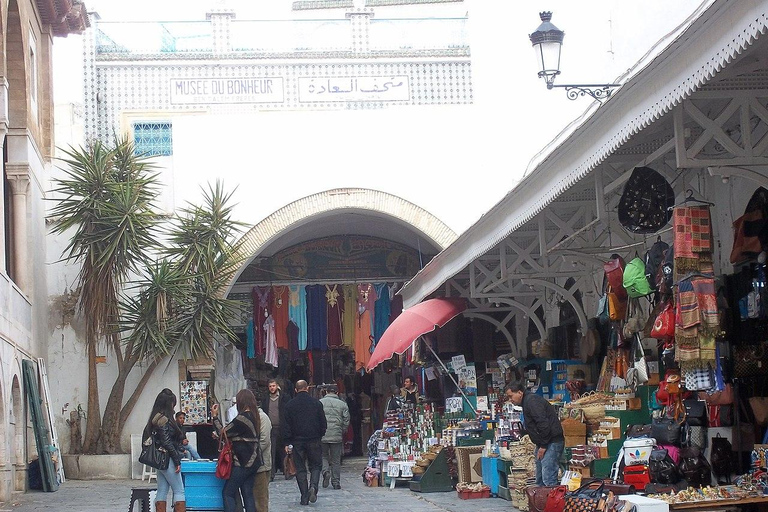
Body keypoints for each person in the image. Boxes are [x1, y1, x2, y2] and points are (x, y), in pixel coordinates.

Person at [212, 389, 263, 512]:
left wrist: (215, 417)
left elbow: (224, 432)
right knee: (247, 493)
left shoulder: (242, 418)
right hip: (254, 460)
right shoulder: (254, 416)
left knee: (228, 493)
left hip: (243, 461)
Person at [504, 382, 564, 486]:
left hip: (551, 442)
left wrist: (543, 446)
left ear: (519, 393)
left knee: (548, 477)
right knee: (540, 478)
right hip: (544, 442)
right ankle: (542, 500)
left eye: (511, 396)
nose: (510, 400)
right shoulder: (527, 402)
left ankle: (552, 500)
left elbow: (543, 424)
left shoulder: (532, 401)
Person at [283, 380, 327, 506]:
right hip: (314, 439)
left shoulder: (290, 405)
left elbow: (286, 427)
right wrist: (320, 434)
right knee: (315, 466)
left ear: (296, 390)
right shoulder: (316, 404)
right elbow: (323, 423)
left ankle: (304, 495)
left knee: (300, 469)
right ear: (307, 388)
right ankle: (313, 486)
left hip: (297, 442)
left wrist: (287, 442)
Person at [143, 388, 185, 512]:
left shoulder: (155, 419)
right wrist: (177, 461)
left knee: (162, 490)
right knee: (179, 490)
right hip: (168, 459)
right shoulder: (165, 420)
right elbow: (167, 442)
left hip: (159, 460)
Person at [319, 384, 350, 490]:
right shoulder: (342, 404)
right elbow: (346, 419)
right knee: (336, 459)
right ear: (337, 393)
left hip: (323, 434)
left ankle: (325, 471)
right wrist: (342, 430)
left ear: (326, 392)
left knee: (323, 456)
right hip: (336, 434)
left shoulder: (320, 403)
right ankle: (336, 482)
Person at [261, 378, 288, 480]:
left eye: (273, 386)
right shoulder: (265, 399)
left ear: (277, 386)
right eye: (270, 386)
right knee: (271, 451)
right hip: (270, 428)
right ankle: (271, 474)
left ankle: (286, 470)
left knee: (283, 450)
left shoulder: (284, 397)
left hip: (282, 427)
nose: (272, 388)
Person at [253, 405, 272, 512]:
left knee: (261, 499)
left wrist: (250, 454)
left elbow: (264, 441)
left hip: (261, 464)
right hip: (252, 463)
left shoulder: (262, 418)